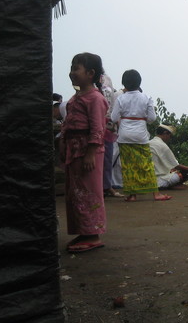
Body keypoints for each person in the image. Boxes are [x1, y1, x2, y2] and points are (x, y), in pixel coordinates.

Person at [60, 53, 109, 253]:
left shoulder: (95, 98)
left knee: (89, 191)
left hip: (88, 150)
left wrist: (90, 152)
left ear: (90, 73)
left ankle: (93, 234)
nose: (72, 73)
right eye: (72, 68)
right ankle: (84, 231)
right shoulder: (76, 97)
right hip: (74, 149)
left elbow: (98, 128)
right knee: (75, 192)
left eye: (76, 69)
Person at [111, 69, 172, 202]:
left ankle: (132, 195)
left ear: (124, 84)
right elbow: (151, 118)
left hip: (124, 135)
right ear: (139, 83)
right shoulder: (146, 98)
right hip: (140, 135)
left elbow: (114, 117)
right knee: (146, 164)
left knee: (128, 166)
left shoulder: (121, 98)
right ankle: (156, 194)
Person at [149, 124, 188, 189]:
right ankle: (170, 186)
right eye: (170, 136)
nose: (169, 138)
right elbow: (176, 165)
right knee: (186, 174)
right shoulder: (162, 146)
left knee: (173, 170)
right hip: (158, 181)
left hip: (148, 179)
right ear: (165, 133)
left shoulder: (149, 143)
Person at [100, 74, 123, 198]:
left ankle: (107, 186)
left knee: (107, 158)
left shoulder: (107, 80)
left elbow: (112, 108)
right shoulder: (118, 94)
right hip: (96, 123)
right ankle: (99, 187)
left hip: (107, 125)